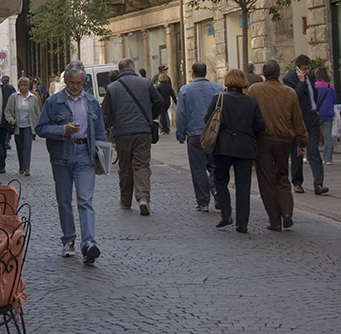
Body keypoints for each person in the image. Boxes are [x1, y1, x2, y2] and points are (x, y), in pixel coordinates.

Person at [35, 60, 106, 265]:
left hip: (85, 153)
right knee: (65, 201)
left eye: (79, 83)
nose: (75, 87)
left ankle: (89, 243)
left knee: (85, 200)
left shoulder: (91, 102)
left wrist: (101, 160)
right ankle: (68, 240)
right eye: (72, 82)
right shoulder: (53, 102)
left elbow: (99, 131)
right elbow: (41, 128)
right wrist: (62, 130)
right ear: (65, 81)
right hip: (62, 156)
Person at [248, 59, 308, 231]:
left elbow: (250, 115)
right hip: (284, 141)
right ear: (279, 73)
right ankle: (287, 212)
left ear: (264, 74)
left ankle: (275, 220)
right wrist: (303, 142)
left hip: (264, 139)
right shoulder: (289, 93)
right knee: (282, 176)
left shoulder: (255, 90)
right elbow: (298, 120)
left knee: (266, 179)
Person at [204, 69, 265, 234]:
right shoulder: (251, 102)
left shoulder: (219, 99)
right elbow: (260, 125)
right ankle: (242, 223)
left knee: (220, 179)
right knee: (243, 185)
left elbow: (207, 119)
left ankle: (226, 213)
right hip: (245, 147)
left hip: (223, 146)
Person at [102, 58, 164, 215]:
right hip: (143, 131)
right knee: (142, 165)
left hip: (122, 132)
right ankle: (143, 197)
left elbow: (106, 115)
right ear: (133, 67)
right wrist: (149, 118)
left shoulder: (112, 88)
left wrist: (103, 131)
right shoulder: (146, 83)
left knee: (125, 167)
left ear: (120, 70)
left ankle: (125, 200)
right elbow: (159, 103)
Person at [175, 61, 223, 212]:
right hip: (214, 133)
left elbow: (180, 114)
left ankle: (203, 201)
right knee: (215, 165)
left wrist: (180, 133)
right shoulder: (217, 88)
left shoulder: (185, 90)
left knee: (198, 168)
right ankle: (216, 190)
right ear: (206, 72)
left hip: (195, 134)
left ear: (192, 73)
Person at [283, 54, 328, 195]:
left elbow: (312, 95)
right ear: (298, 68)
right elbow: (293, 97)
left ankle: (318, 183)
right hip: (298, 119)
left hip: (312, 116)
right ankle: (297, 183)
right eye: (304, 68)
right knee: (298, 151)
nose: (307, 71)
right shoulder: (289, 79)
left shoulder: (312, 78)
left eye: (308, 68)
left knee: (313, 150)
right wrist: (301, 82)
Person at [5, 77, 42, 176]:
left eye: (25, 85)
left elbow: (37, 112)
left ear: (27, 86)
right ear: (19, 86)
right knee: (20, 147)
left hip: (28, 126)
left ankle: (27, 168)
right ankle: (21, 165)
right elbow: (7, 110)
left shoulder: (33, 98)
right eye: (21, 85)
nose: (23, 87)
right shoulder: (14, 97)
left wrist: (39, 125)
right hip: (18, 126)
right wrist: (10, 119)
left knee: (27, 146)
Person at [315, 67, 336, 165]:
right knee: (328, 137)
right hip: (328, 114)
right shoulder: (331, 87)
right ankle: (328, 159)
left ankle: (309, 157)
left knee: (312, 136)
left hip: (317, 114)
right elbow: (334, 100)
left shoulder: (314, 86)